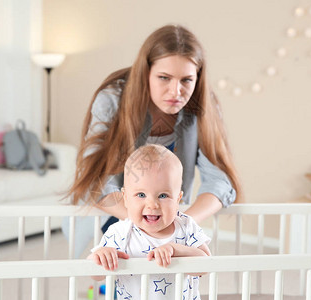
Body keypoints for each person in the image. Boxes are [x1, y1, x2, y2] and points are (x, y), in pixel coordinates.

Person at [63, 24, 241, 258]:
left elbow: (219, 181)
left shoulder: (203, 105)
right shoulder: (112, 99)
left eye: (186, 80)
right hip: (119, 211)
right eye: (164, 78)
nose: (176, 91)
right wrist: (141, 219)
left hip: (170, 219)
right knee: (125, 280)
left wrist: (180, 223)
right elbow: (94, 177)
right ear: (145, 73)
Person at [88, 144, 211, 299]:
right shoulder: (119, 233)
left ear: (178, 199)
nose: (152, 205)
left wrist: (176, 250)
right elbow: (94, 274)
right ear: (125, 198)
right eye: (141, 195)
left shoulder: (186, 226)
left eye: (163, 196)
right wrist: (100, 255)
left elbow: (206, 264)